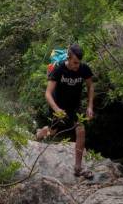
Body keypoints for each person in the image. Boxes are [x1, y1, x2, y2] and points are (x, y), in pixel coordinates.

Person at [35, 43, 95, 179]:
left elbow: (91, 86)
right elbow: (48, 93)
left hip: (75, 107)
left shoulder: (84, 69)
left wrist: (90, 106)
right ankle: (39, 134)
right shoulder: (59, 70)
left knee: (81, 130)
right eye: (74, 62)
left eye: (79, 62)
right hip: (58, 106)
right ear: (68, 58)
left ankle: (78, 168)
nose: (77, 66)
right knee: (52, 131)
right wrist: (56, 109)